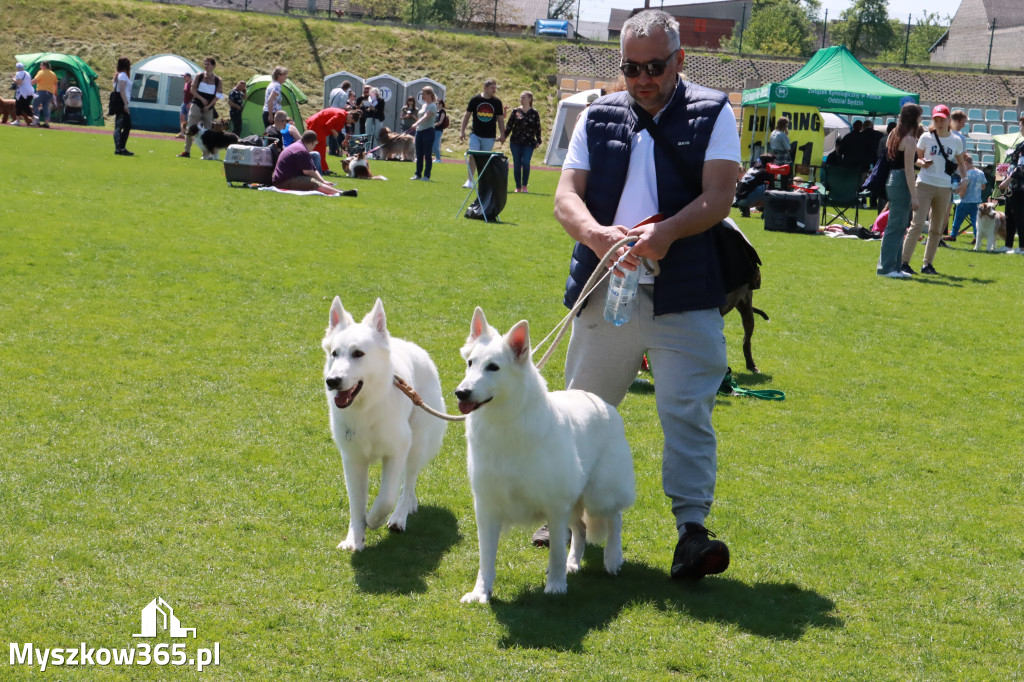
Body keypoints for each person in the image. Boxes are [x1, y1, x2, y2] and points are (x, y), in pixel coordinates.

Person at [552, 9, 739, 581]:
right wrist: (597, 235)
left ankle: (691, 533)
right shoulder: (596, 114)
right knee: (582, 407)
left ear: (680, 60)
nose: (642, 77)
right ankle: (562, 515)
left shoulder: (714, 112)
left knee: (687, 413)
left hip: (684, 291)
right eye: (631, 67)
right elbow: (566, 196)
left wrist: (668, 232)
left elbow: (720, 195)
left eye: (654, 66)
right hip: (605, 282)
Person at [901, 104, 966, 275]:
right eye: (936, 119)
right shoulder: (926, 137)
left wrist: (964, 180)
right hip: (924, 184)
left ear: (948, 120)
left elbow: (960, 162)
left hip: (945, 187)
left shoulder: (956, 140)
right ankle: (903, 262)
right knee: (917, 224)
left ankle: (927, 264)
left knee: (937, 228)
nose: (938, 122)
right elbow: (916, 159)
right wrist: (923, 163)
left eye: (941, 119)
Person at [877, 102, 921, 278]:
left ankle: (895, 267)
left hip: (892, 179)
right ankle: (886, 268)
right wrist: (915, 196)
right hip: (901, 180)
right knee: (896, 227)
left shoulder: (894, 134)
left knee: (899, 226)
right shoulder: (910, 140)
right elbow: (909, 169)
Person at [272, 130, 355, 196]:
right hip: (283, 181)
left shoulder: (300, 147)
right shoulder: (301, 151)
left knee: (315, 181)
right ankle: (341, 193)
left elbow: (313, 169)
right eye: (316, 143)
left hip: (285, 178)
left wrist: (323, 181)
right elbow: (308, 171)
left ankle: (337, 191)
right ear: (313, 142)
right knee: (312, 182)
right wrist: (320, 181)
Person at [460, 78, 505, 189]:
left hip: (489, 136)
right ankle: (469, 180)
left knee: (485, 159)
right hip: (475, 133)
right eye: (492, 88)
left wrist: (503, 134)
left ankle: (483, 182)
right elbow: (467, 115)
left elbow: (500, 119)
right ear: (485, 88)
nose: (494, 90)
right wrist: (462, 131)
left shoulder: (497, 102)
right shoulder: (475, 99)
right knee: (473, 156)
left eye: (495, 88)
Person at [179, 57, 222, 158]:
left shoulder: (218, 80)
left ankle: (206, 154)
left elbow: (219, 95)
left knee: (208, 131)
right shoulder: (199, 76)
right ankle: (187, 151)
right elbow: (192, 90)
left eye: (208, 64)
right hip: (196, 105)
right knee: (190, 128)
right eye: (205, 64)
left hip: (209, 109)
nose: (205, 66)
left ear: (213, 65)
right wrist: (201, 99)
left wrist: (209, 106)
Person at [504, 90, 542, 193]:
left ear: (529, 99)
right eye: (521, 97)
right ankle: (518, 186)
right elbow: (509, 125)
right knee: (517, 164)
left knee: (526, 162)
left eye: (523, 97)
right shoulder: (516, 111)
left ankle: (525, 185)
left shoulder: (534, 113)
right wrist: (504, 136)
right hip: (516, 141)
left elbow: (538, 127)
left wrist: (538, 140)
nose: (521, 99)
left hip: (529, 142)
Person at [948, 154, 985, 242]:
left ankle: (953, 235)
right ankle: (977, 237)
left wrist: (958, 197)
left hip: (965, 201)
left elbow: (963, 189)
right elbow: (983, 187)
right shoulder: (981, 173)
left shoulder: (966, 175)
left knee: (958, 220)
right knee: (975, 221)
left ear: (965, 163)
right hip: (976, 201)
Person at [998, 134, 1024, 253]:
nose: (1021, 129)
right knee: (1009, 216)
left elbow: (1021, 167)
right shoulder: (1021, 144)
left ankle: (1022, 247)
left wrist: (1007, 181)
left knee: (1020, 217)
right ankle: (1008, 245)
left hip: (1020, 187)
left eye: (1022, 126)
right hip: (1012, 187)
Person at [305, 106, 347, 174]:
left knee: (322, 149)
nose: (349, 123)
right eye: (351, 121)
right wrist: (334, 132)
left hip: (319, 125)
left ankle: (323, 168)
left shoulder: (342, 114)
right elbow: (329, 124)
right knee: (317, 148)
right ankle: (316, 168)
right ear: (351, 116)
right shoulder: (341, 114)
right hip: (317, 125)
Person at [408, 86, 438, 181]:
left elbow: (426, 116)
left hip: (428, 131)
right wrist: (417, 125)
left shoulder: (432, 106)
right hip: (419, 131)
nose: (422, 95)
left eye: (424, 94)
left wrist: (416, 123)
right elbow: (421, 117)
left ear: (429, 94)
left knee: (427, 154)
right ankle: (418, 174)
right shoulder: (424, 105)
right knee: (419, 154)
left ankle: (426, 176)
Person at [733, 153, 776, 217]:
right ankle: (766, 213)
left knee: (758, 186)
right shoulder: (765, 171)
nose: (775, 163)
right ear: (770, 162)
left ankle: (744, 209)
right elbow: (773, 186)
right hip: (748, 199)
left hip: (738, 199)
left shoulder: (752, 168)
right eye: (774, 161)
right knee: (771, 189)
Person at [111, 56, 133, 156]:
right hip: (121, 102)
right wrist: (125, 104)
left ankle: (121, 147)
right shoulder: (123, 75)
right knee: (122, 126)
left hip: (121, 102)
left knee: (124, 125)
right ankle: (119, 148)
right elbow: (122, 90)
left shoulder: (119, 75)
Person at [356, 85, 383, 153]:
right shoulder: (368, 100)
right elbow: (362, 108)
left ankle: (376, 151)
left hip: (378, 118)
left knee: (377, 135)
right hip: (369, 118)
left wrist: (374, 109)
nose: (372, 95)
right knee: (368, 134)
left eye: (373, 93)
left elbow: (381, 111)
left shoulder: (381, 100)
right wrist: (368, 109)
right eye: (371, 93)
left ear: (377, 94)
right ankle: (367, 150)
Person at [30, 60, 58, 128]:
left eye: (41, 65)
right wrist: (55, 93)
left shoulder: (41, 72)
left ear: (44, 66)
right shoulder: (53, 74)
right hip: (50, 93)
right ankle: (46, 123)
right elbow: (56, 85)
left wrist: (26, 83)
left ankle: (37, 121)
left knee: (35, 104)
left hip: (41, 91)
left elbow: (34, 81)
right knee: (46, 107)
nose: (40, 67)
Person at [12, 61, 35, 127]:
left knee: (19, 105)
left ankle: (18, 121)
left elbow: (19, 83)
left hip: (23, 92)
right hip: (30, 91)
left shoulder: (19, 73)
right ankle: (34, 118)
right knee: (25, 106)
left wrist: (13, 79)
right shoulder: (27, 73)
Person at [176, 72, 193, 138]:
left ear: (189, 77)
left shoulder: (192, 84)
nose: (184, 78)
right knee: (182, 117)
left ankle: (189, 133)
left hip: (190, 103)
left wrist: (191, 102)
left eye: (185, 77)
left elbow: (194, 94)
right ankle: (182, 132)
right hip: (184, 103)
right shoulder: (185, 84)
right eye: (184, 77)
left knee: (190, 119)